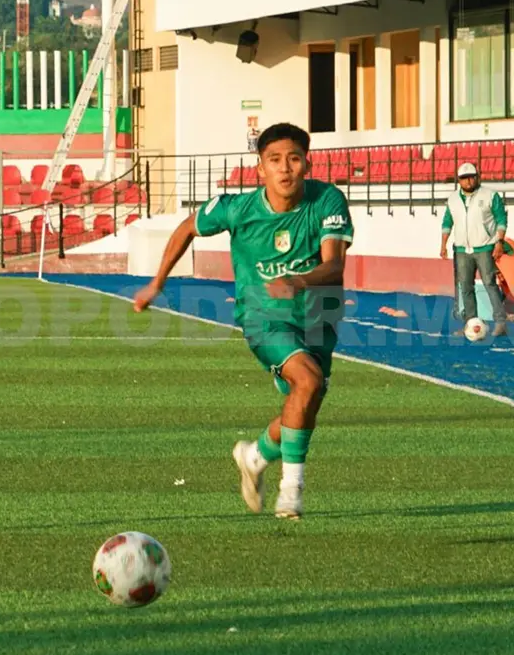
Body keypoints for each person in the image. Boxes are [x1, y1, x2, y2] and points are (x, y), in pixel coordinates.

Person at [132, 123, 353, 520]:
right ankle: (291, 491)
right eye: (274, 160)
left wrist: (298, 281)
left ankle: (254, 457)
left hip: (320, 315)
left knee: (305, 401)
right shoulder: (237, 208)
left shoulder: (327, 200)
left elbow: (334, 265)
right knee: (308, 381)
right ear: (259, 169)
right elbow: (186, 228)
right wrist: (156, 283)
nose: (285, 169)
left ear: (307, 164)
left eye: (294, 159)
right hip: (263, 317)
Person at [438, 162, 508, 337]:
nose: (468, 181)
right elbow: (447, 222)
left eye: (471, 177)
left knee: (490, 283)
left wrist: (499, 241)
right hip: (462, 249)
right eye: (464, 178)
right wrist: (443, 244)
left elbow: (501, 219)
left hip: (485, 246)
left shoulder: (490, 195)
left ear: (477, 176)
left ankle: (500, 322)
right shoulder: (453, 199)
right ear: (458, 180)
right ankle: (470, 323)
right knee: (465, 287)